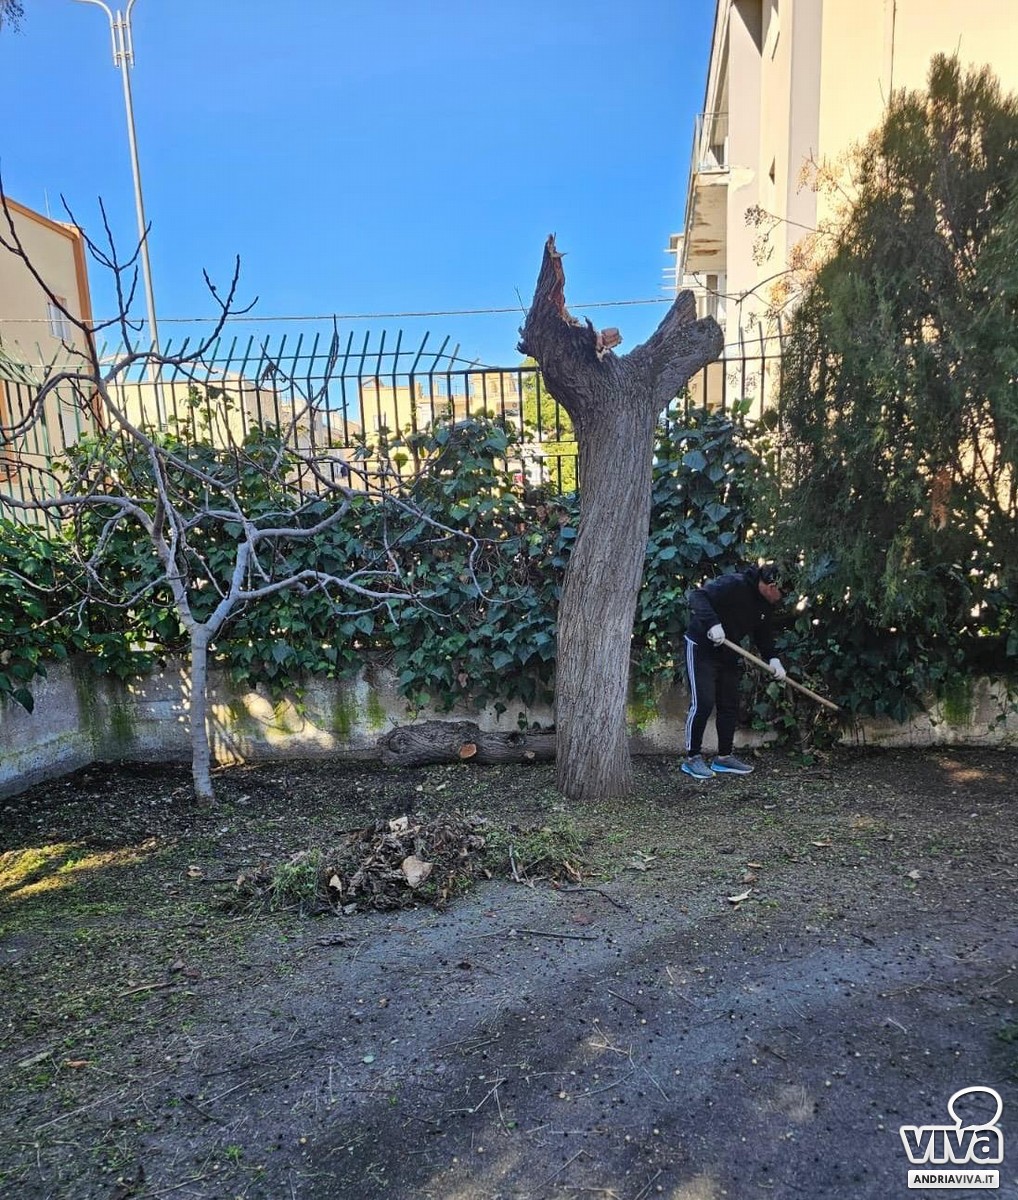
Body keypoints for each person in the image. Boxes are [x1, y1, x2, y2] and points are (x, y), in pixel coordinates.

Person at [681, 563, 787, 779]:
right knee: (703, 703)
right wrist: (713, 624)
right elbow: (697, 596)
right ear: (772, 586)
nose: (782, 599)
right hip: (702, 646)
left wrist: (773, 659)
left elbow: (764, 635)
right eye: (782, 593)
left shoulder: (766, 604)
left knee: (729, 704)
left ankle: (724, 757)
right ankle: (692, 758)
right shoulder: (734, 584)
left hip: (729, 651)